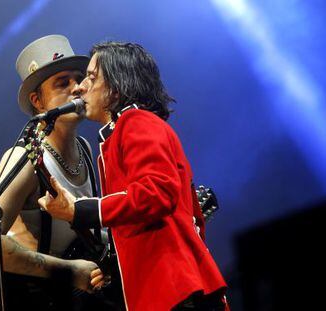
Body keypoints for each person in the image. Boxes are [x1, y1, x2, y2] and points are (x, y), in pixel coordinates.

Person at [38, 42, 229, 311]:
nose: (81, 87)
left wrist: (79, 209)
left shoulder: (136, 122)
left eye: (91, 77)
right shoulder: (118, 137)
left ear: (117, 86)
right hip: (169, 293)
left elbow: (156, 193)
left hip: (176, 293)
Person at [0, 35, 107, 311]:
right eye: (62, 82)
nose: (77, 88)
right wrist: (68, 271)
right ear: (38, 101)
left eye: (79, 78)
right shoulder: (26, 158)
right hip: (28, 299)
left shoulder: (85, 148)